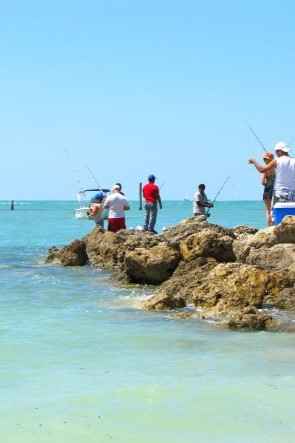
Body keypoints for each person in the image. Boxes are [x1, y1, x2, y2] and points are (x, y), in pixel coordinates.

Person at [248, 141, 295, 205]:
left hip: (279, 193)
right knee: (291, 213)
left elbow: (262, 170)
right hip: (293, 193)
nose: (276, 154)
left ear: (279, 151)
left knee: (276, 213)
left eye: (276, 152)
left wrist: (254, 161)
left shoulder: (276, 161)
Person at [261, 152, 275, 226]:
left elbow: (262, 182)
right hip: (276, 189)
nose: (264, 160)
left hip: (267, 189)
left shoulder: (264, 169)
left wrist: (267, 184)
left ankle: (269, 227)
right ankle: (274, 225)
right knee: (274, 209)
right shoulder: (276, 168)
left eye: (265, 159)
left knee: (268, 210)